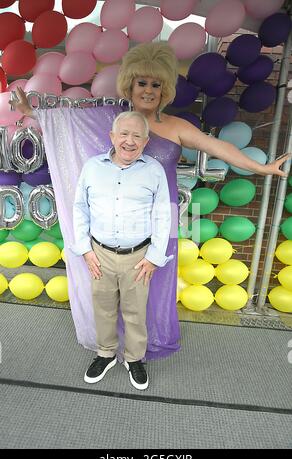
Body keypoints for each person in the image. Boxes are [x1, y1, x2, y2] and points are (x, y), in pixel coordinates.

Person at [11, 42, 290, 364]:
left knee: (152, 279)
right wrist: (32, 113)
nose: (148, 90)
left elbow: (217, 146)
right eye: (142, 82)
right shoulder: (110, 118)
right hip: (116, 218)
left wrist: (262, 167)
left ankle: (145, 342)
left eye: (155, 84)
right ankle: (109, 342)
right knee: (107, 281)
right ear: (130, 84)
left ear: (166, 89)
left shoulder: (176, 126)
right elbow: (68, 123)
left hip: (160, 215)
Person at [72, 111, 171, 390]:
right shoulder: (92, 167)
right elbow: (79, 207)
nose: (130, 141)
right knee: (102, 308)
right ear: (112, 137)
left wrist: (154, 257)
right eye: (124, 134)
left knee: (135, 310)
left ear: (146, 140)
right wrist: (85, 250)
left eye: (137, 135)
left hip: (139, 257)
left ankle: (134, 358)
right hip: (98, 253)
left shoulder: (153, 170)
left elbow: (164, 214)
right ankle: (105, 354)